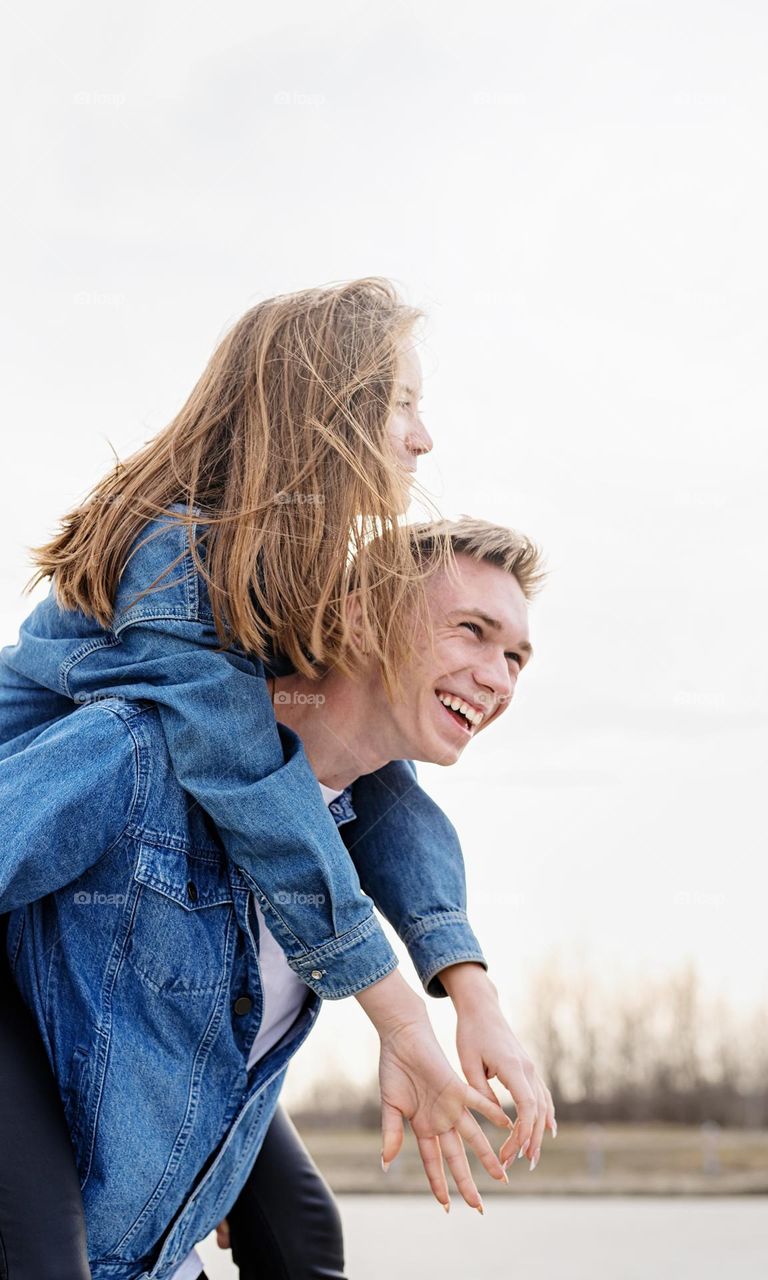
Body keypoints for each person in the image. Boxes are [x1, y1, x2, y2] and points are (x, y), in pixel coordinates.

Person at [0, 281, 551, 1279]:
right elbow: (255, 786)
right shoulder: (177, 567)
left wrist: (466, 985)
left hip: (98, 905)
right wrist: (399, 1015)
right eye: (399, 402)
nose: (422, 438)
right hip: (22, 891)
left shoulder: (270, 577)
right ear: (320, 406)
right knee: (47, 1252)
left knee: (300, 1231)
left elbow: (374, 792)